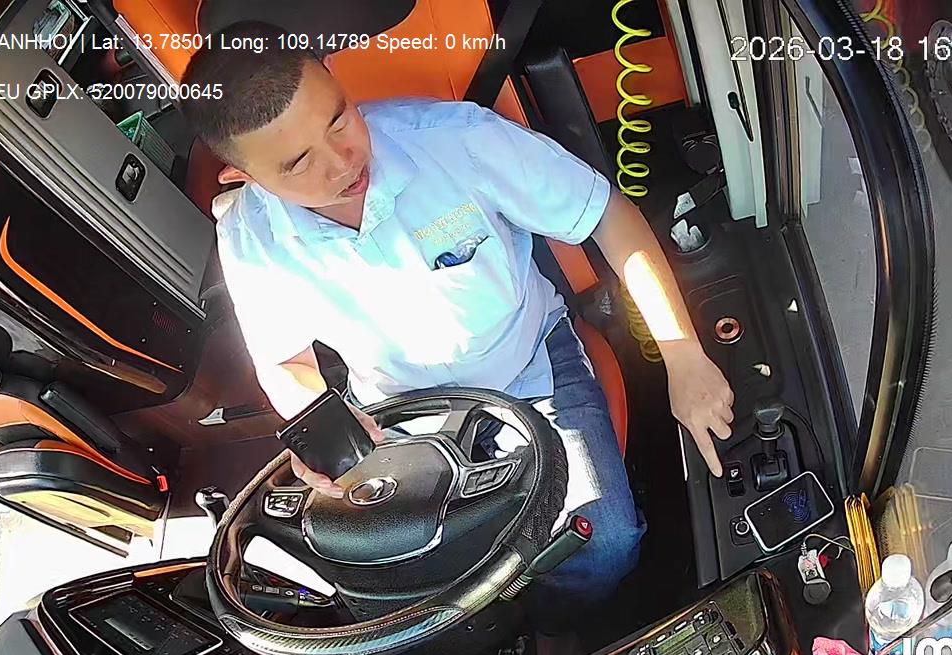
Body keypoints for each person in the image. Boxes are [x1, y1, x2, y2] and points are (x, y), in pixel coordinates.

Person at [181, 21, 734, 615]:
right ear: (245, 176)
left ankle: (562, 626)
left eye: (338, 118)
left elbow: (607, 216)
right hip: (399, 414)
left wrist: (682, 355)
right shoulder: (250, 236)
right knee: (408, 575)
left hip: (530, 366)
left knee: (604, 544)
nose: (343, 162)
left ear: (335, 78)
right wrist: (320, 423)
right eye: (297, 163)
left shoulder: (456, 140)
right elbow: (286, 361)